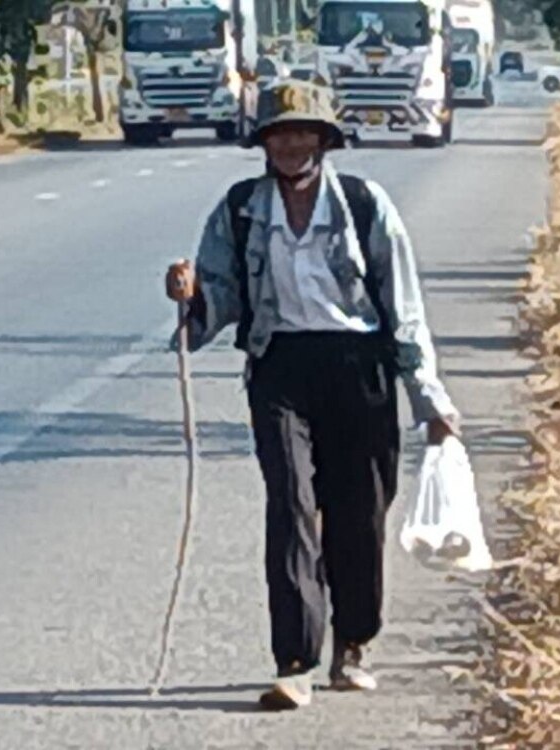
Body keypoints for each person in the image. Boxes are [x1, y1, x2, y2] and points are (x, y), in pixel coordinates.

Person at [164, 79, 460, 711]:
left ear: (326, 141)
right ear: (265, 143)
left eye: (305, 133)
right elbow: (220, 293)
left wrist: (429, 398)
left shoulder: (362, 203)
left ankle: (352, 643)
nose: (293, 144)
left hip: (360, 368)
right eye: (280, 134)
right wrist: (189, 300)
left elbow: (403, 307)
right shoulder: (241, 207)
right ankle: (294, 660)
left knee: (358, 512)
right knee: (291, 506)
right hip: (281, 369)